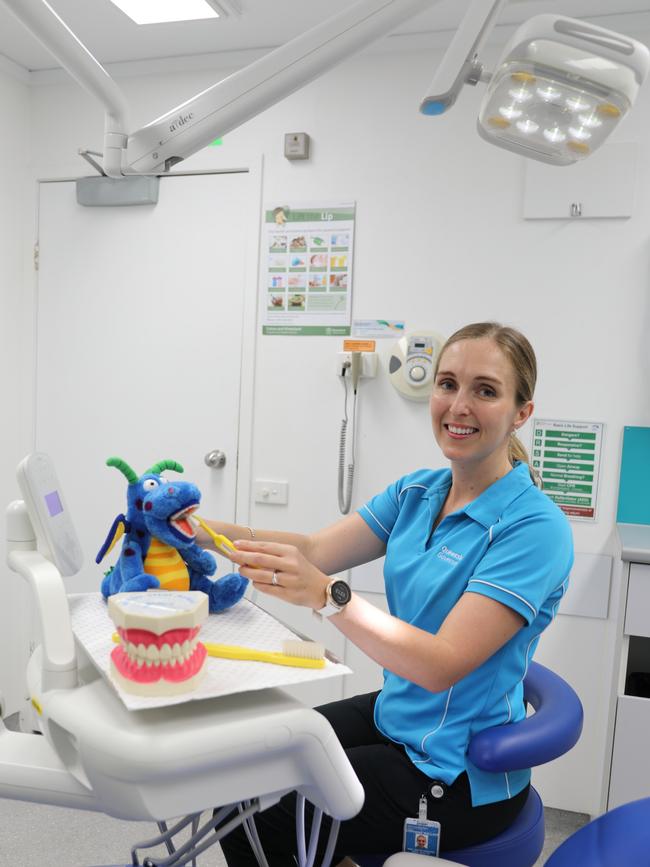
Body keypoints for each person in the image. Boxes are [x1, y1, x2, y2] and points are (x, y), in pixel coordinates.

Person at [197, 321, 574, 866]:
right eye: (447, 384)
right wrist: (203, 532)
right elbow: (313, 548)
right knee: (253, 764)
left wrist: (328, 596)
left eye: (485, 390)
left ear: (522, 412)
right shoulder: (419, 491)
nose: (458, 405)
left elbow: (441, 665)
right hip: (400, 718)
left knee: (259, 817)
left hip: (457, 771)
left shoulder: (533, 528)